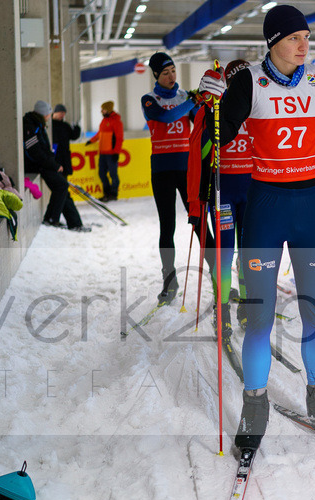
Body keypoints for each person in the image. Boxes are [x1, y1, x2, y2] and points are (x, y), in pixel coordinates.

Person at [197, 4, 315, 449]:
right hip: (265, 205)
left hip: (310, 208)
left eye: (306, 37)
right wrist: (209, 105)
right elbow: (216, 139)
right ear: (273, 41)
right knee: (259, 318)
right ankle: (254, 407)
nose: (304, 44)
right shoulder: (249, 81)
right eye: (295, 37)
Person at [187, 59, 253, 340]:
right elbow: (198, 147)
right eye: (236, 81)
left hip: (252, 190)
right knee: (225, 253)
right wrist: (205, 102)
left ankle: (248, 308)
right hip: (222, 190)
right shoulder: (215, 105)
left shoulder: (259, 106)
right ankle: (222, 309)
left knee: (251, 254)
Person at [142, 51, 215, 303]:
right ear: (155, 75)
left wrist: (208, 103)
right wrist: (193, 101)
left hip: (188, 170)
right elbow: (166, 117)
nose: (171, 76)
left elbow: (201, 123)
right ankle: (169, 281)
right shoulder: (149, 99)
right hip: (161, 171)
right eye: (165, 73)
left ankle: (218, 277)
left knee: (199, 223)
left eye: (173, 70)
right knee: (167, 226)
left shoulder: (186, 97)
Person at [22, 100, 89, 233]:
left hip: (45, 163)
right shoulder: (31, 125)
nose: (49, 116)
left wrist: (54, 163)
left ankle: (73, 222)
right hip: (38, 165)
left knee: (62, 187)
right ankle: (53, 219)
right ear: (43, 113)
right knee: (62, 186)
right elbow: (35, 151)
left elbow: (43, 148)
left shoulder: (38, 124)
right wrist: (53, 164)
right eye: (48, 113)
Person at [50, 104, 84, 227]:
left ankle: (59, 219)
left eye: (64, 113)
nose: (62, 115)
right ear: (55, 113)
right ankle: (71, 221)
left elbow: (73, 135)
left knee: (62, 192)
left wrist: (77, 128)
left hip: (64, 163)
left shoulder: (65, 126)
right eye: (60, 113)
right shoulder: (50, 127)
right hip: (56, 164)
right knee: (63, 192)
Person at [87, 100, 124, 200]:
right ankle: (106, 193)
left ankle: (113, 193)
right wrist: (91, 141)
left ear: (108, 110)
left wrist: (116, 152)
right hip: (103, 152)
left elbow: (119, 138)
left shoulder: (116, 122)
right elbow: (100, 133)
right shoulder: (104, 121)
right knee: (101, 173)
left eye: (103, 110)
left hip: (111, 153)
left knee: (113, 174)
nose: (101, 111)